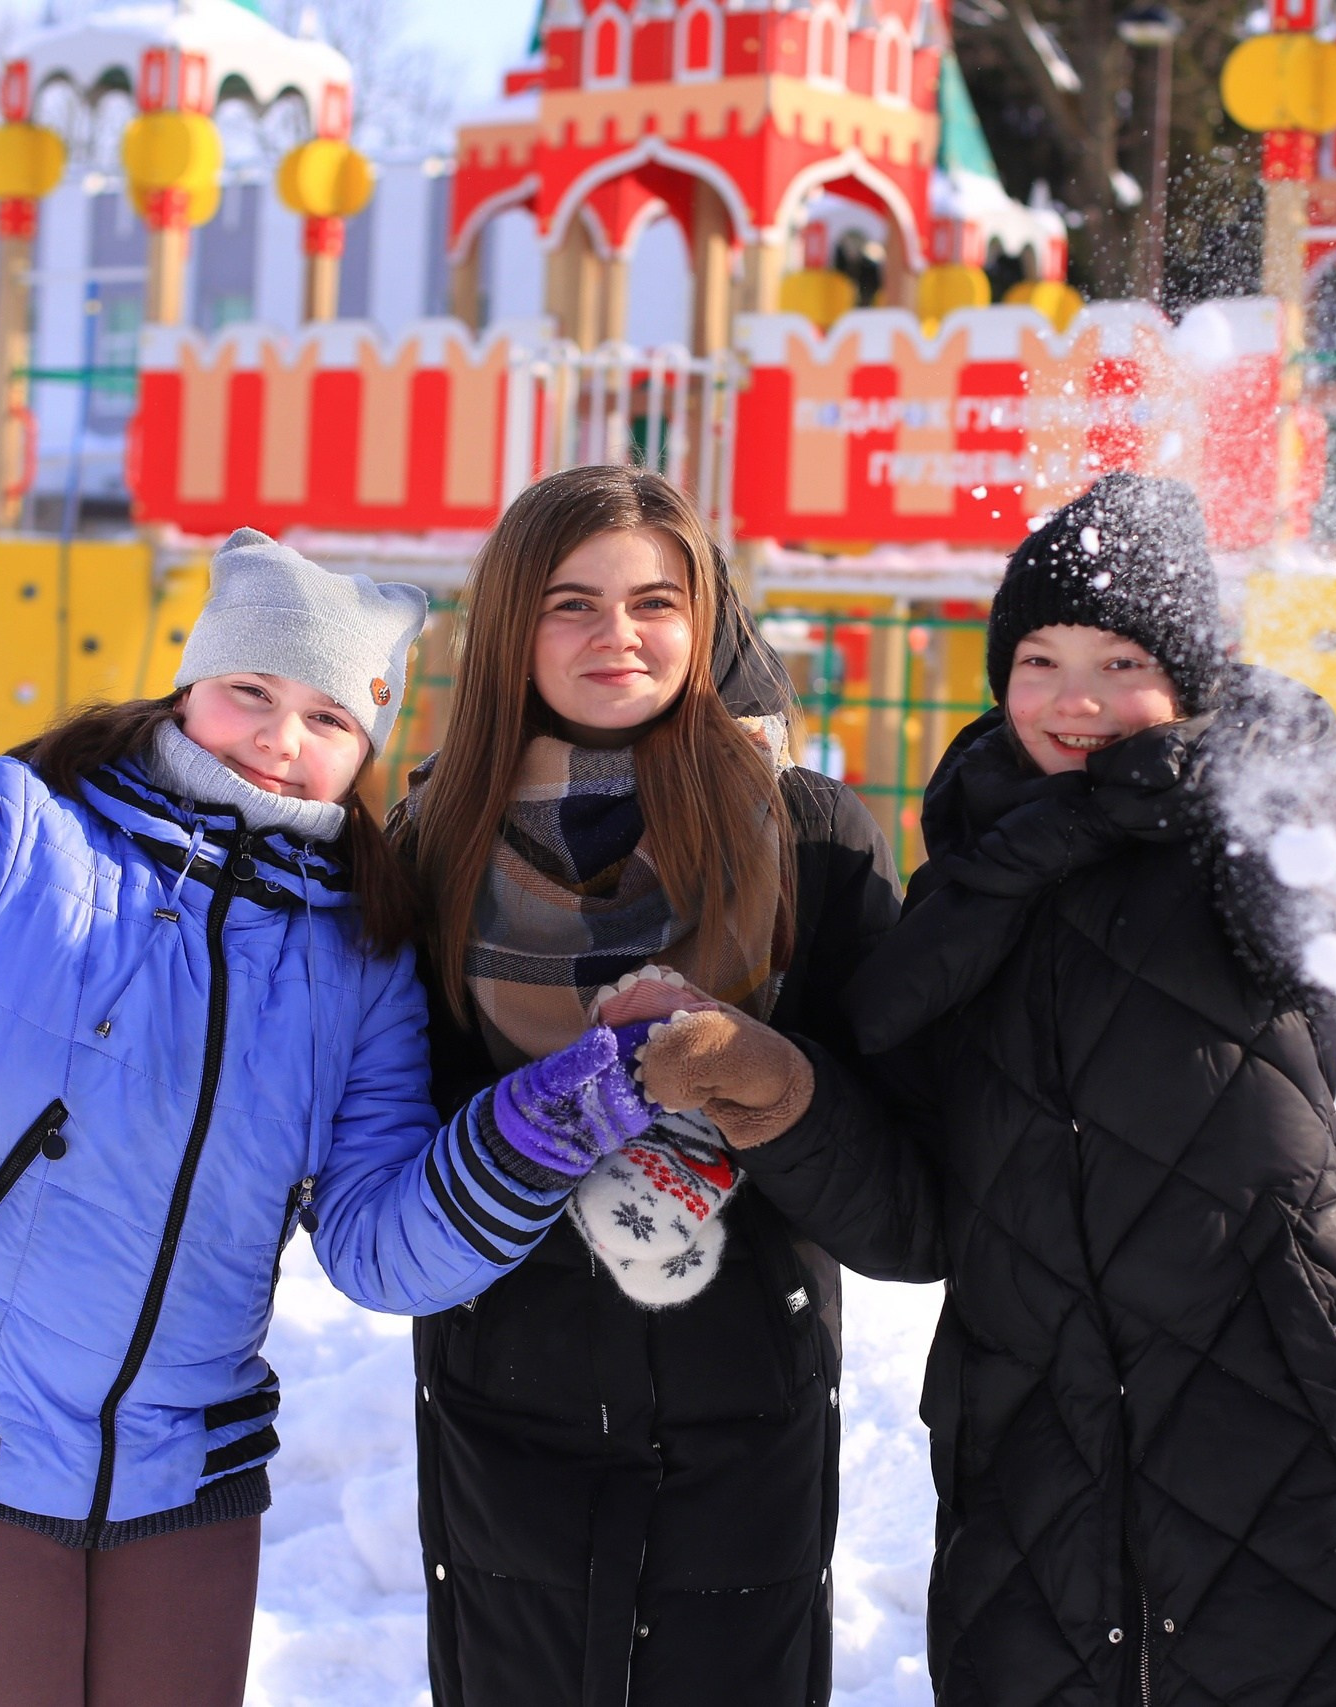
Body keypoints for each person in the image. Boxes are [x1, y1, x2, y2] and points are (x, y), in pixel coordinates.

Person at [0, 487, 661, 1707]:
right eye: (252, 690)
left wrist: (548, 1123)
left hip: (184, 1463)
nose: (279, 737)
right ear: (192, 680)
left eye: (325, 715)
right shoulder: (26, 830)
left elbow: (380, 1252)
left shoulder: (358, 956)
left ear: (365, 744)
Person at [639, 474, 1336, 1706]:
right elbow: (922, 1213)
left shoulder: (1242, 839)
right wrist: (772, 1094)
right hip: (1037, 1438)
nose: (1075, 699)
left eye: (1119, 661)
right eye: (1037, 660)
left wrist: (1285, 782)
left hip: (1279, 1412)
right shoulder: (963, 893)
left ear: (1193, 682)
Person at [390, 465, 902, 1707]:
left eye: (654, 602)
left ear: (705, 618)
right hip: (501, 1395)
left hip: (748, 1393)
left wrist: (764, 1083)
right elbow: (386, 1146)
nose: (617, 636)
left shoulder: (808, 836)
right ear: (511, 628)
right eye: (571, 603)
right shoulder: (427, 843)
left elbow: (892, 1179)